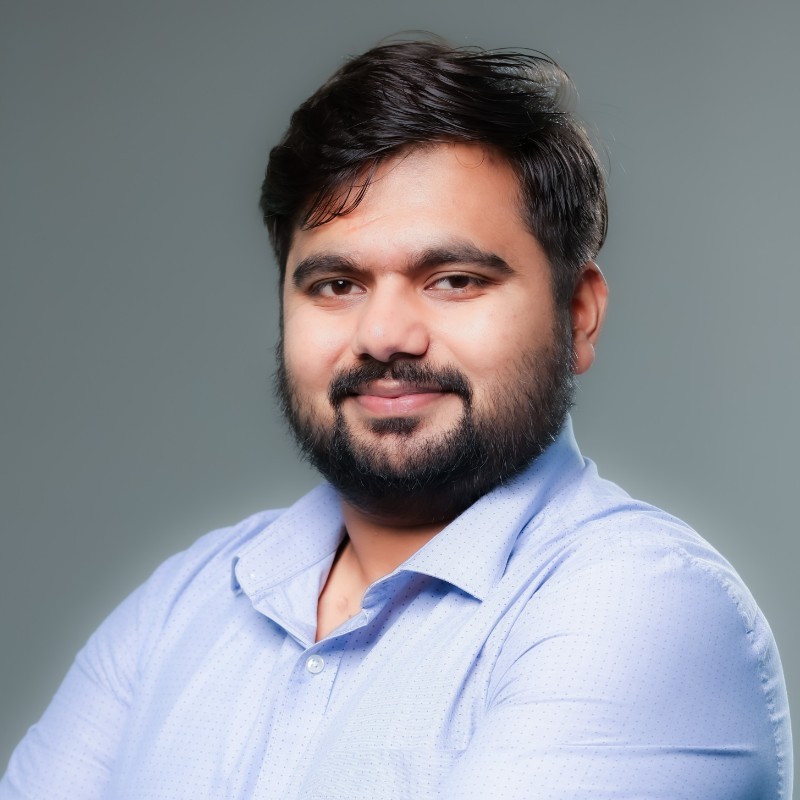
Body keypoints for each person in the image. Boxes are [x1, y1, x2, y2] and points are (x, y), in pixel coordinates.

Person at [0, 38, 792, 800]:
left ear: (578, 315)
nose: (383, 335)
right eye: (336, 285)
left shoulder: (642, 604)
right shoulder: (186, 600)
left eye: (454, 279)